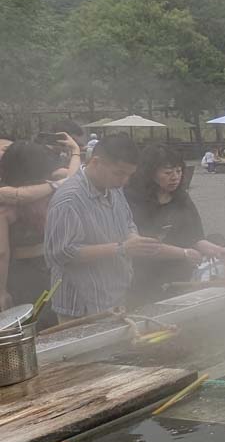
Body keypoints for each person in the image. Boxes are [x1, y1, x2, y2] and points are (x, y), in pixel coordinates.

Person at [44, 134, 164, 319]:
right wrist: (121, 248)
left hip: (114, 295)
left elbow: (127, 222)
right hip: (81, 305)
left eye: (129, 175)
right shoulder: (69, 198)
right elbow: (61, 252)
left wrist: (135, 239)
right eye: (119, 173)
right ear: (96, 161)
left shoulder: (114, 189)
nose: (124, 181)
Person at [125, 144, 225, 305]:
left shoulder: (181, 199)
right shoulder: (133, 200)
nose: (175, 177)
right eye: (168, 173)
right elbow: (144, 246)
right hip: (143, 279)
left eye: (178, 171)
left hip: (180, 279)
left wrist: (219, 251)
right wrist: (183, 253)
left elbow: (195, 238)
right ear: (150, 174)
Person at [0, 143, 61, 319]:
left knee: (26, 323)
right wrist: (73, 151)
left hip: (22, 273)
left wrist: (2, 291)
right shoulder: (55, 194)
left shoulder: (5, 207)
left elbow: (2, 253)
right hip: (52, 266)